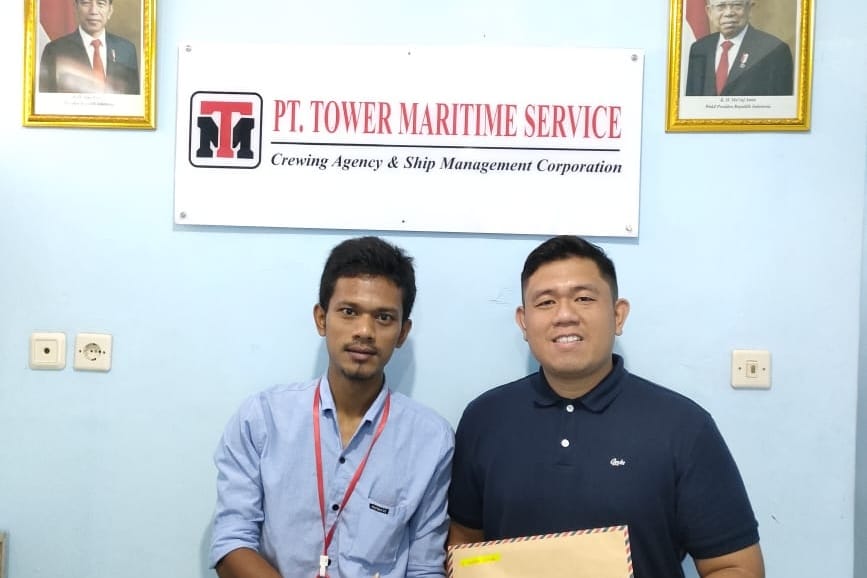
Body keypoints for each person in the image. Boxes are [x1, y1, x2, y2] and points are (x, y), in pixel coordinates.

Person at [448, 236, 765, 578]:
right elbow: (464, 543)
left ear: (618, 315)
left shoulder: (684, 427)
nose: (565, 315)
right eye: (546, 302)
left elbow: (736, 567)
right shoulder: (484, 419)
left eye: (584, 298)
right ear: (524, 322)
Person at [210, 236, 454, 578]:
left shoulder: (431, 439)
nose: (365, 331)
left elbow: (425, 568)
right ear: (321, 319)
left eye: (384, 317)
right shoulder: (262, 419)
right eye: (349, 312)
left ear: (402, 332)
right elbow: (231, 542)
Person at [685, 0, 793, 96]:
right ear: (709, 12)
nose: (728, 13)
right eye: (721, 6)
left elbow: (780, 106)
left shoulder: (774, 50)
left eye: (737, 5)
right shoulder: (699, 49)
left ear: (749, 9)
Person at [39, 0, 140, 94]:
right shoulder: (55, 50)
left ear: (110, 10)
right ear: (75, 8)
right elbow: (47, 99)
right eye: (86, 3)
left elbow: (133, 100)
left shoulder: (127, 50)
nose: (93, 11)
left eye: (100, 3)